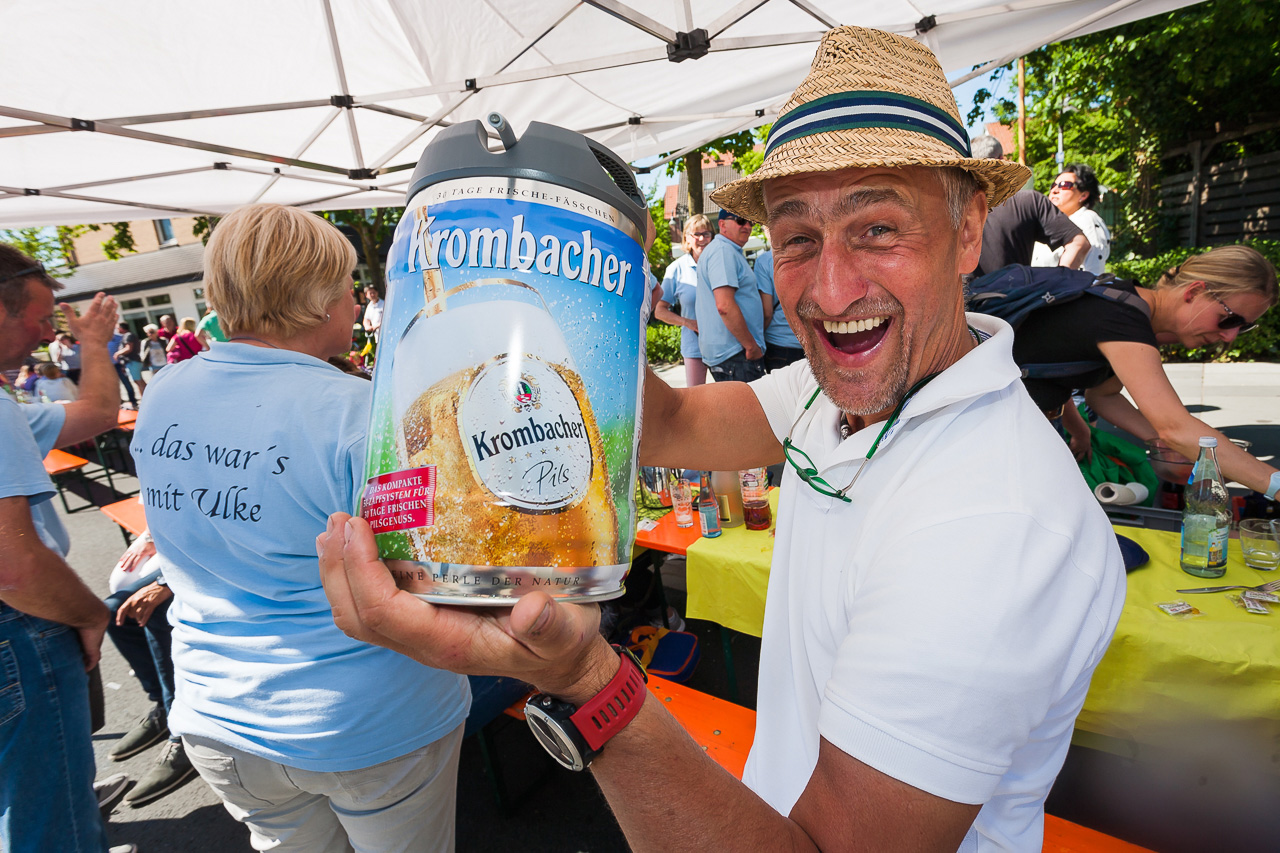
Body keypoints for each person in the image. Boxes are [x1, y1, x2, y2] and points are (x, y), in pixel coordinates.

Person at [318, 26, 1125, 852]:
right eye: (798, 238)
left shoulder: (994, 520)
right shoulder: (830, 390)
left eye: (878, 228)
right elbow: (669, 425)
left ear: (968, 231)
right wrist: (562, 285)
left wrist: (586, 682)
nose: (831, 290)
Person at [131, 203, 469, 852]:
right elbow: (429, 572)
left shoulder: (164, 391)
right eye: (347, 287)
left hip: (217, 714)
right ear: (315, 301)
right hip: (365, 721)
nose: (356, 302)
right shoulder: (360, 411)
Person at [0, 244, 137, 853]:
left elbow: (97, 411)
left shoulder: (12, 407)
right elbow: (13, 566)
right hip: (18, 627)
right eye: (37, 318)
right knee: (50, 819)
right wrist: (89, 614)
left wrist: (93, 345)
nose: (42, 334)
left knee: (27, 792)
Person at [1012, 246, 1279, 483]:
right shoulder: (1123, 321)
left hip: (1022, 428)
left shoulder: (1126, 302)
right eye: (1229, 319)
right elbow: (1176, 428)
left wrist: (1163, 441)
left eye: (1243, 327)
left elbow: (1103, 395)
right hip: (1004, 435)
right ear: (1194, 292)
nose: (1230, 336)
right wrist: (1274, 484)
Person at [102, 527, 191, 807]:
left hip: (220, 554)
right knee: (114, 612)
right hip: (183, 550)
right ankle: (164, 708)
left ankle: (183, 734)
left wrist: (166, 582)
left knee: (154, 612)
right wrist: (150, 537)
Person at [969, 135, 1090, 277]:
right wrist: (1059, 282)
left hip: (962, 292)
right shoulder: (1029, 201)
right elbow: (1079, 243)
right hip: (1014, 291)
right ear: (1002, 160)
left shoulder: (953, 207)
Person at [695, 208, 767, 382]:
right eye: (740, 220)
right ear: (722, 224)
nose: (747, 226)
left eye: (750, 222)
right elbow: (724, 306)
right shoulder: (723, 251)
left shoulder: (726, 250)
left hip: (734, 354)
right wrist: (751, 346)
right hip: (736, 355)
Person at [654, 213, 713, 386]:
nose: (702, 239)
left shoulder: (720, 264)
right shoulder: (676, 269)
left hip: (726, 346)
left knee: (730, 396)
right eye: (697, 234)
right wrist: (688, 323)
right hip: (695, 347)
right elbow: (659, 311)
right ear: (687, 238)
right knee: (697, 396)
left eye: (706, 234)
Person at [1031, 163, 1111, 275]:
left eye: (1064, 185)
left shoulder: (1087, 220)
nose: (1054, 190)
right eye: (1053, 185)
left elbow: (1092, 274)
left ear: (1083, 195)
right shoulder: (1049, 223)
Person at [755, 228, 806, 371]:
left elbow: (767, 312)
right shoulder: (807, 255)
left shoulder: (764, 262)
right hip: (808, 340)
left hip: (778, 342)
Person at [115, 322, 147, 397]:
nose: (117, 329)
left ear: (122, 328)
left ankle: (145, 398)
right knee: (139, 381)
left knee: (138, 381)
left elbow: (128, 348)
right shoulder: (128, 335)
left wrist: (117, 354)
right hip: (133, 362)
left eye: (118, 328)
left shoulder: (128, 335)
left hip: (133, 361)